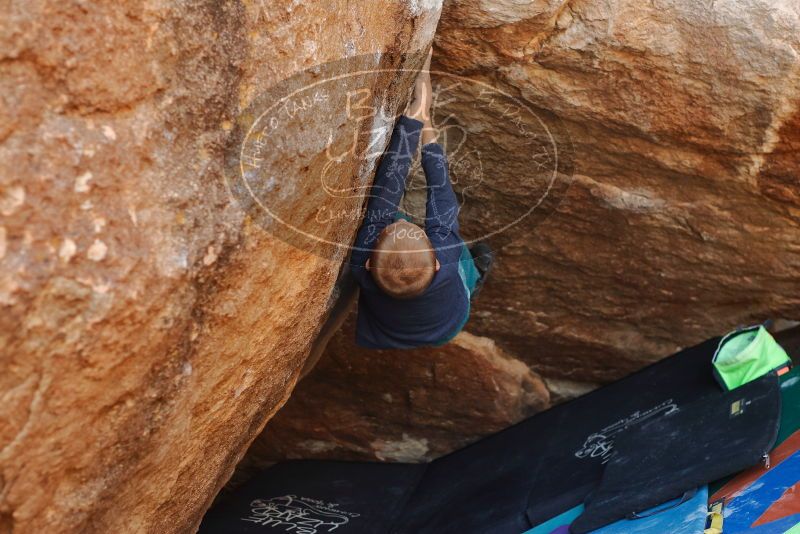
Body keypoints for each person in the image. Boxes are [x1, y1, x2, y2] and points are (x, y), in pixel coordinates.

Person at [348, 48, 493, 349]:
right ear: (437, 263)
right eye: (424, 233)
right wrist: (423, 118)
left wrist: (414, 119)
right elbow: (439, 189)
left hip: (390, 328)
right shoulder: (446, 258)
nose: (414, 224)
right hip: (447, 324)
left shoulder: (362, 256)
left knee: (396, 223)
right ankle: (476, 277)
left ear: (370, 266)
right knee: (461, 253)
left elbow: (390, 182)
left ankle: (466, 271)